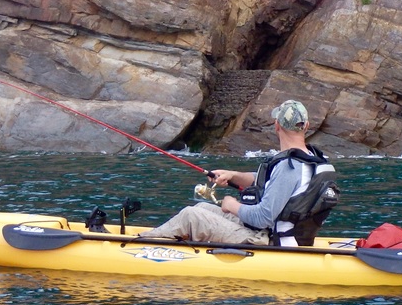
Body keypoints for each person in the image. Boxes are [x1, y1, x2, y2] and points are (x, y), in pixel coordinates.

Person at [139, 100, 338, 246]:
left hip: (269, 240)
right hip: (281, 233)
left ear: (277, 126)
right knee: (202, 207)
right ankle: (165, 238)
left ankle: (142, 244)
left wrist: (232, 205)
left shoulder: (289, 166)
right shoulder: (310, 158)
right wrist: (232, 174)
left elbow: (263, 217)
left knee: (192, 215)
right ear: (306, 126)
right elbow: (272, 182)